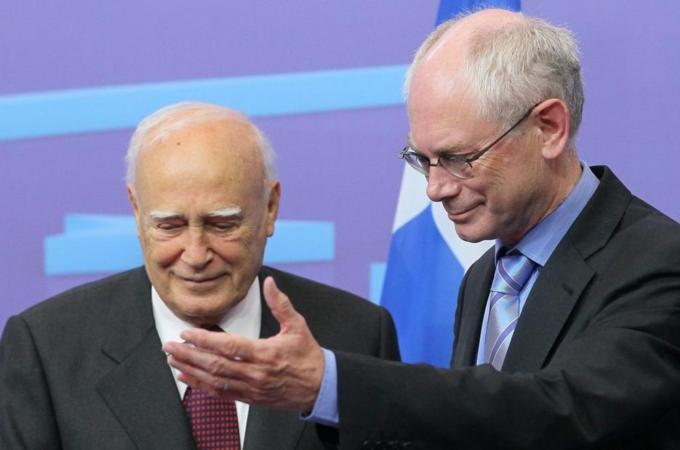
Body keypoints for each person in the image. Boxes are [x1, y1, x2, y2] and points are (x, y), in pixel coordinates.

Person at [161, 9, 680, 450]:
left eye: (457, 158)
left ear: (548, 128)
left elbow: (560, 413)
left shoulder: (658, 261)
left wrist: (329, 384)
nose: (434, 188)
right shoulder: (485, 276)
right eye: (422, 159)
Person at [0, 102, 400, 450]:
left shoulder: (357, 336)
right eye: (169, 225)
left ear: (270, 208)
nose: (195, 255)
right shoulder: (47, 349)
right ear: (136, 212)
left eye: (222, 224)